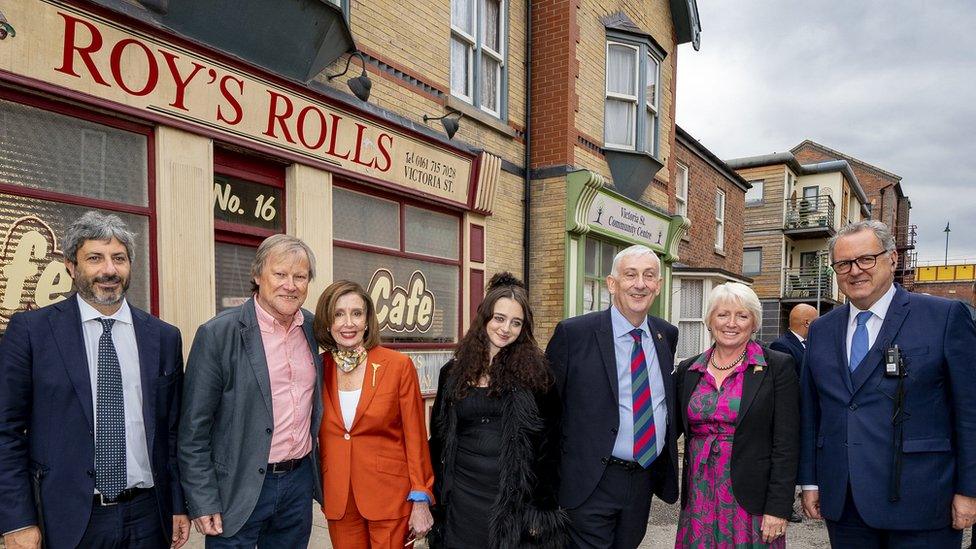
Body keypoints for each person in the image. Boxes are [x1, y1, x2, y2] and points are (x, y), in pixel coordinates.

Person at [0, 211, 189, 549]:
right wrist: (16, 520)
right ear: (72, 267)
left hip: (149, 516)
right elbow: (6, 432)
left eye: (119, 258)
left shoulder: (163, 338)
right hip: (67, 518)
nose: (109, 270)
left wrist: (178, 505)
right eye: (95, 258)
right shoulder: (31, 333)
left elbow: (172, 432)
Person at [800, 220, 976, 547]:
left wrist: (969, 490)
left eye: (866, 259)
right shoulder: (822, 330)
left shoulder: (944, 317)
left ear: (892, 259)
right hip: (846, 502)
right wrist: (810, 481)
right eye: (843, 264)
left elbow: (969, 412)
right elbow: (812, 412)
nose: (855, 271)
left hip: (923, 499)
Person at [179, 234, 323, 547]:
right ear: (257, 275)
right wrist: (201, 499)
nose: (291, 285)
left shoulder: (314, 329)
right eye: (280, 274)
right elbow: (193, 429)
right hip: (237, 487)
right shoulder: (218, 334)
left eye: (300, 277)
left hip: (298, 485)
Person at [546, 244, 679, 548]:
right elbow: (548, 412)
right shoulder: (573, 334)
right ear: (612, 283)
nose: (640, 284)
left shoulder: (665, 335)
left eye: (648, 276)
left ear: (658, 286)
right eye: (630, 275)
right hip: (589, 481)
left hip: (642, 480)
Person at [429, 273, 568, 548]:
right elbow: (439, 438)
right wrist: (433, 497)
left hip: (512, 500)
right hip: (461, 497)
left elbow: (551, 444)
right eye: (499, 318)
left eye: (516, 323)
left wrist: (542, 505)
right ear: (485, 318)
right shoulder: (453, 373)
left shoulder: (538, 377)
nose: (506, 329)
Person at [674, 282, 799, 548]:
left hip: (751, 500)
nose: (731, 323)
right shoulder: (689, 370)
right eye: (722, 314)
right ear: (710, 320)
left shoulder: (776, 366)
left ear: (754, 323)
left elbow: (786, 444)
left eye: (742, 316)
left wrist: (778, 507)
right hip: (700, 495)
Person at [313, 280, 434, 548]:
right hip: (339, 499)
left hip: (390, 497)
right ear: (328, 322)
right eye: (338, 314)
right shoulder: (318, 368)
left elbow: (415, 437)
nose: (348, 323)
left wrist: (421, 497)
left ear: (367, 321)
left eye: (356, 313)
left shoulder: (397, 365)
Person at [769, 303, 818, 378]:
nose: (819, 324)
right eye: (817, 321)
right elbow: (785, 379)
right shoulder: (781, 346)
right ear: (807, 323)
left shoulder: (811, 343)